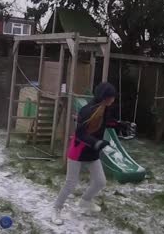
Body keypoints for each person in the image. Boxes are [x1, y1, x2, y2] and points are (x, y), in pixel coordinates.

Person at [51, 82, 117, 225]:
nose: (113, 100)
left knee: (100, 182)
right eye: (111, 97)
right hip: (78, 151)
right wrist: (96, 143)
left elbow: (107, 123)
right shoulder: (87, 110)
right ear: (104, 97)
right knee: (70, 184)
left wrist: (123, 125)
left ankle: (85, 200)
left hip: (91, 153)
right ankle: (56, 209)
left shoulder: (104, 108)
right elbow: (80, 134)